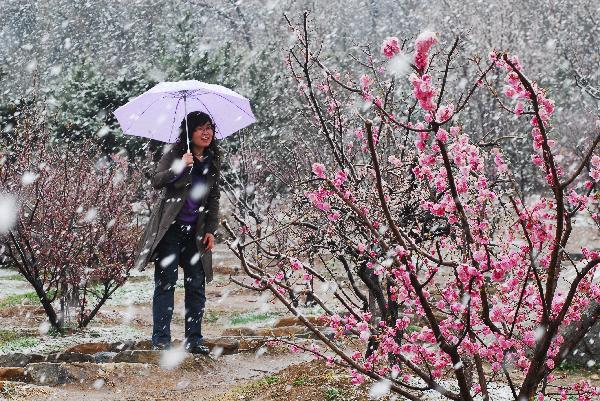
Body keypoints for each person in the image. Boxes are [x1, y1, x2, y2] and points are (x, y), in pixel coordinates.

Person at [132, 111, 221, 354]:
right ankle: (161, 340)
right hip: (170, 231)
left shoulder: (212, 162)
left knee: (196, 287)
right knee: (166, 284)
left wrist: (211, 230)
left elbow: (213, 198)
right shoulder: (175, 154)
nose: (207, 133)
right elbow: (157, 181)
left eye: (210, 128)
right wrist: (181, 166)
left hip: (196, 233)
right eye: (201, 128)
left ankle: (194, 340)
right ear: (189, 132)